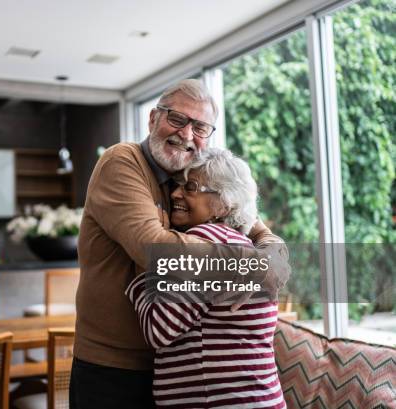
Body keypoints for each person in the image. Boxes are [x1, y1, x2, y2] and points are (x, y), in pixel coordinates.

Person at [70, 79, 289, 409]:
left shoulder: (191, 181)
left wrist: (272, 254)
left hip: (167, 369)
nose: (187, 134)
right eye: (177, 119)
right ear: (153, 119)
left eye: (200, 127)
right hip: (112, 369)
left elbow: (247, 220)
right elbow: (155, 249)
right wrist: (252, 265)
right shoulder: (122, 161)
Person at [126, 148, 286, 408]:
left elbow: (159, 329)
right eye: (177, 186)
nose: (175, 194)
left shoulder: (207, 240)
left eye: (190, 187)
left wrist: (140, 272)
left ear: (224, 203)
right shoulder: (244, 245)